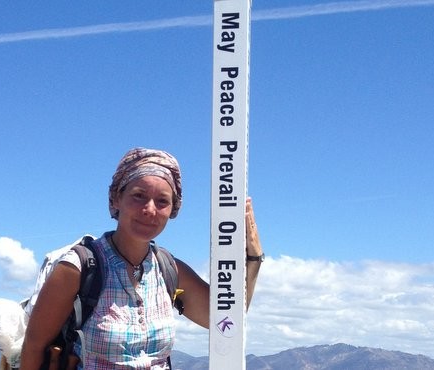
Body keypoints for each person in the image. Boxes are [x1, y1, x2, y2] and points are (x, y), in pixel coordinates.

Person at [20, 148, 264, 369]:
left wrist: (252, 257)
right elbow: (34, 347)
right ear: (117, 199)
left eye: (162, 201)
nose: (150, 209)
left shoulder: (169, 269)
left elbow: (226, 317)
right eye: (139, 195)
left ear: (172, 210)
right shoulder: (79, 268)